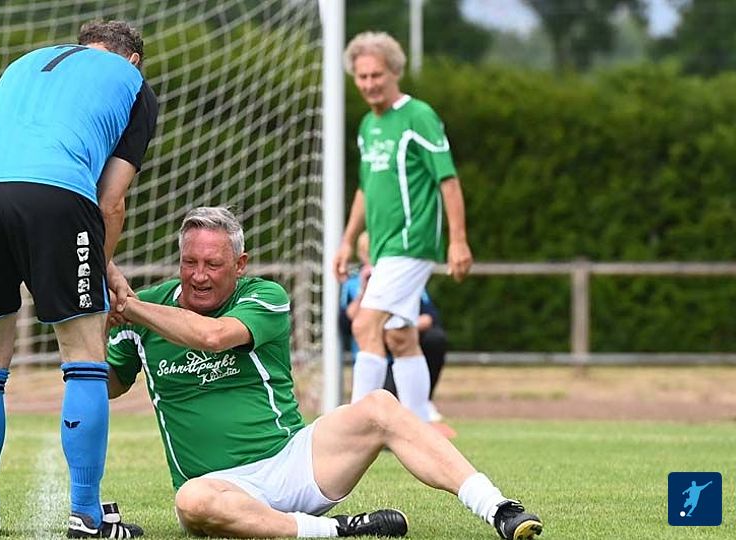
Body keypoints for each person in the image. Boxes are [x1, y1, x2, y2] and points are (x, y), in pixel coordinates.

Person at [106, 207, 543, 539]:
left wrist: (130, 306)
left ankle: (498, 508)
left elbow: (213, 336)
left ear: (240, 265)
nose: (199, 276)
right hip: (218, 489)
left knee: (379, 405)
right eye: (189, 263)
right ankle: (336, 530)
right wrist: (88, 329)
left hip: (292, 463)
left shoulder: (263, 296)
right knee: (191, 500)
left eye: (213, 265)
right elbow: (107, 384)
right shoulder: (148, 313)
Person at [0, 19, 158, 538]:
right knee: (84, 355)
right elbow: (109, 201)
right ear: (132, 58)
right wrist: (101, 274)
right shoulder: (132, 82)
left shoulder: (26, 63)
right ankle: (86, 514)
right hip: (56, 191)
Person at [333, 31, 473, 424]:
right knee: (400, 336)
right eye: (362, 77)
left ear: (395, 71)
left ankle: (355, 429)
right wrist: (346, 241)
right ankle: (420, 428)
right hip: (383, 248)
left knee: (365, 324)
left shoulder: (418, 117)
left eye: (376, 75)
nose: (369, 84)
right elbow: (365, 189)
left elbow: (448, 180)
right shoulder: (368, 125)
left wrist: (458, 241)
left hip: (411, 242)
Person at [338, 232, 452, 434]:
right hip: (373, 358)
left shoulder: (405, 277)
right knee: (364, 327)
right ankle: (359, 427)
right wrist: (364, 292)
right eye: (367, 252)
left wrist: (401, 324)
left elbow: (430, 317)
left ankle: (420, 416)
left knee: (430, 339)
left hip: (397, 358)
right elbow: (347, 323)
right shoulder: (354, 283)